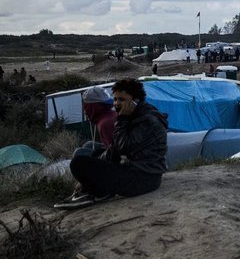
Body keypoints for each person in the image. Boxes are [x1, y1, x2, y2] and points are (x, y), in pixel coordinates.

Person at [55, 79, 168, 209]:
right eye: (115, 99)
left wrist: (122, 120)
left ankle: (98, 192)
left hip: (144, 178)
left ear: (135, 100)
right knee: (95, 155)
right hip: (138, 172)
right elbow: (113, 150)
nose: (116, 104)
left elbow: (123, 148)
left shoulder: (146, 121)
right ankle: (94, 189)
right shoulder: (135, 116)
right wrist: (91, 172)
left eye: (121, 100)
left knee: (78, 163)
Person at [71, 86, 117, 160]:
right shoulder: (111, 114)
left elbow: (116, 153)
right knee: (88, 145)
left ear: (93, 107)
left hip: (117, 160)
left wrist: (97, 156)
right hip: (111, 151)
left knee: (78, 154)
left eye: (86, 106)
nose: (85, 111)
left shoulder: (105, 124)